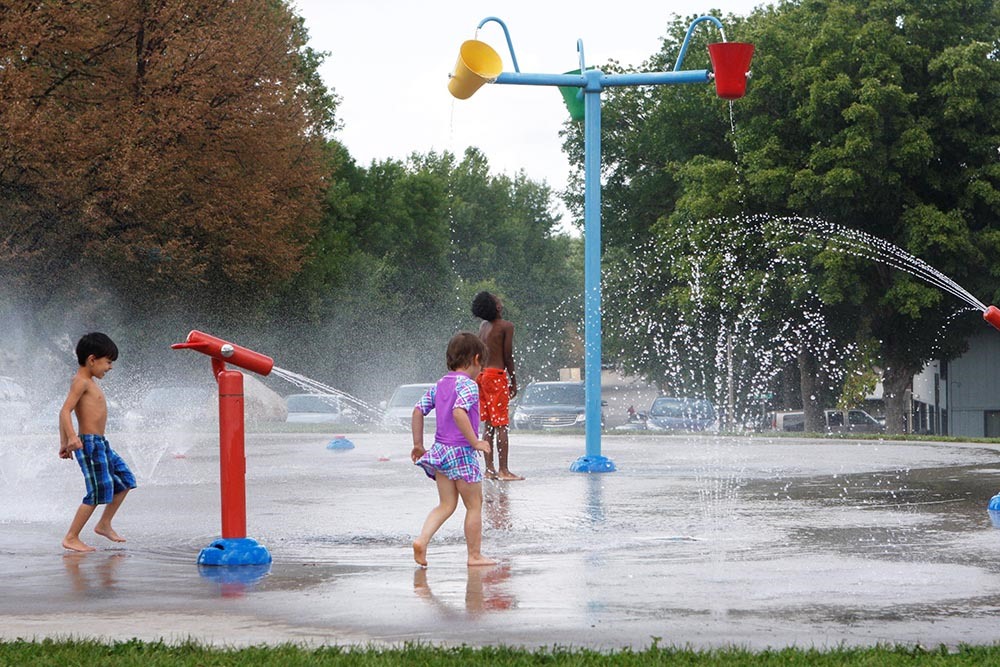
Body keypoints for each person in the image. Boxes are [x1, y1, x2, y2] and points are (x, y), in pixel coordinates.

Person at [411, 332, 495, 568]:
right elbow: (459, 412)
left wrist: (418, 444)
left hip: (440, 452)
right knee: (474, 505)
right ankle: (474, 556)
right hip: (461, 453)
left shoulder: (440, 384)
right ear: (476, 359)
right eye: (482, 366)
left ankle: (422, 540)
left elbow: (418, 410)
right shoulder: (468, 385)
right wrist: (476, 442)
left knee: (446, 505)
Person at [59, 332, 136, 552]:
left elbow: (62, 414)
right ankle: (71, 537)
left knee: (126, 480)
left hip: (101, 443)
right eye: (108, 362)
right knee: (97, 491)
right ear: (92, 359)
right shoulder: (81, 382)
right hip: (89, 444)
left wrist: (63, 443)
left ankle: (104, 524)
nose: (110, 367)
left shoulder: (89, 382)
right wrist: (72, 438)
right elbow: (65, 411)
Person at [470, 291, 523, 481]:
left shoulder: (483, 327)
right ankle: (504, 470)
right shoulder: (506, 326)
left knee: (489, 425)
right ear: (497, 307)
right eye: (497, 299)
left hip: (482, 376)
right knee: (501, 425)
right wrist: (514, 381)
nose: (500, 300)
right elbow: (507, 356)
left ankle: (489, 469)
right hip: (495, 376)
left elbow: (478, 352)